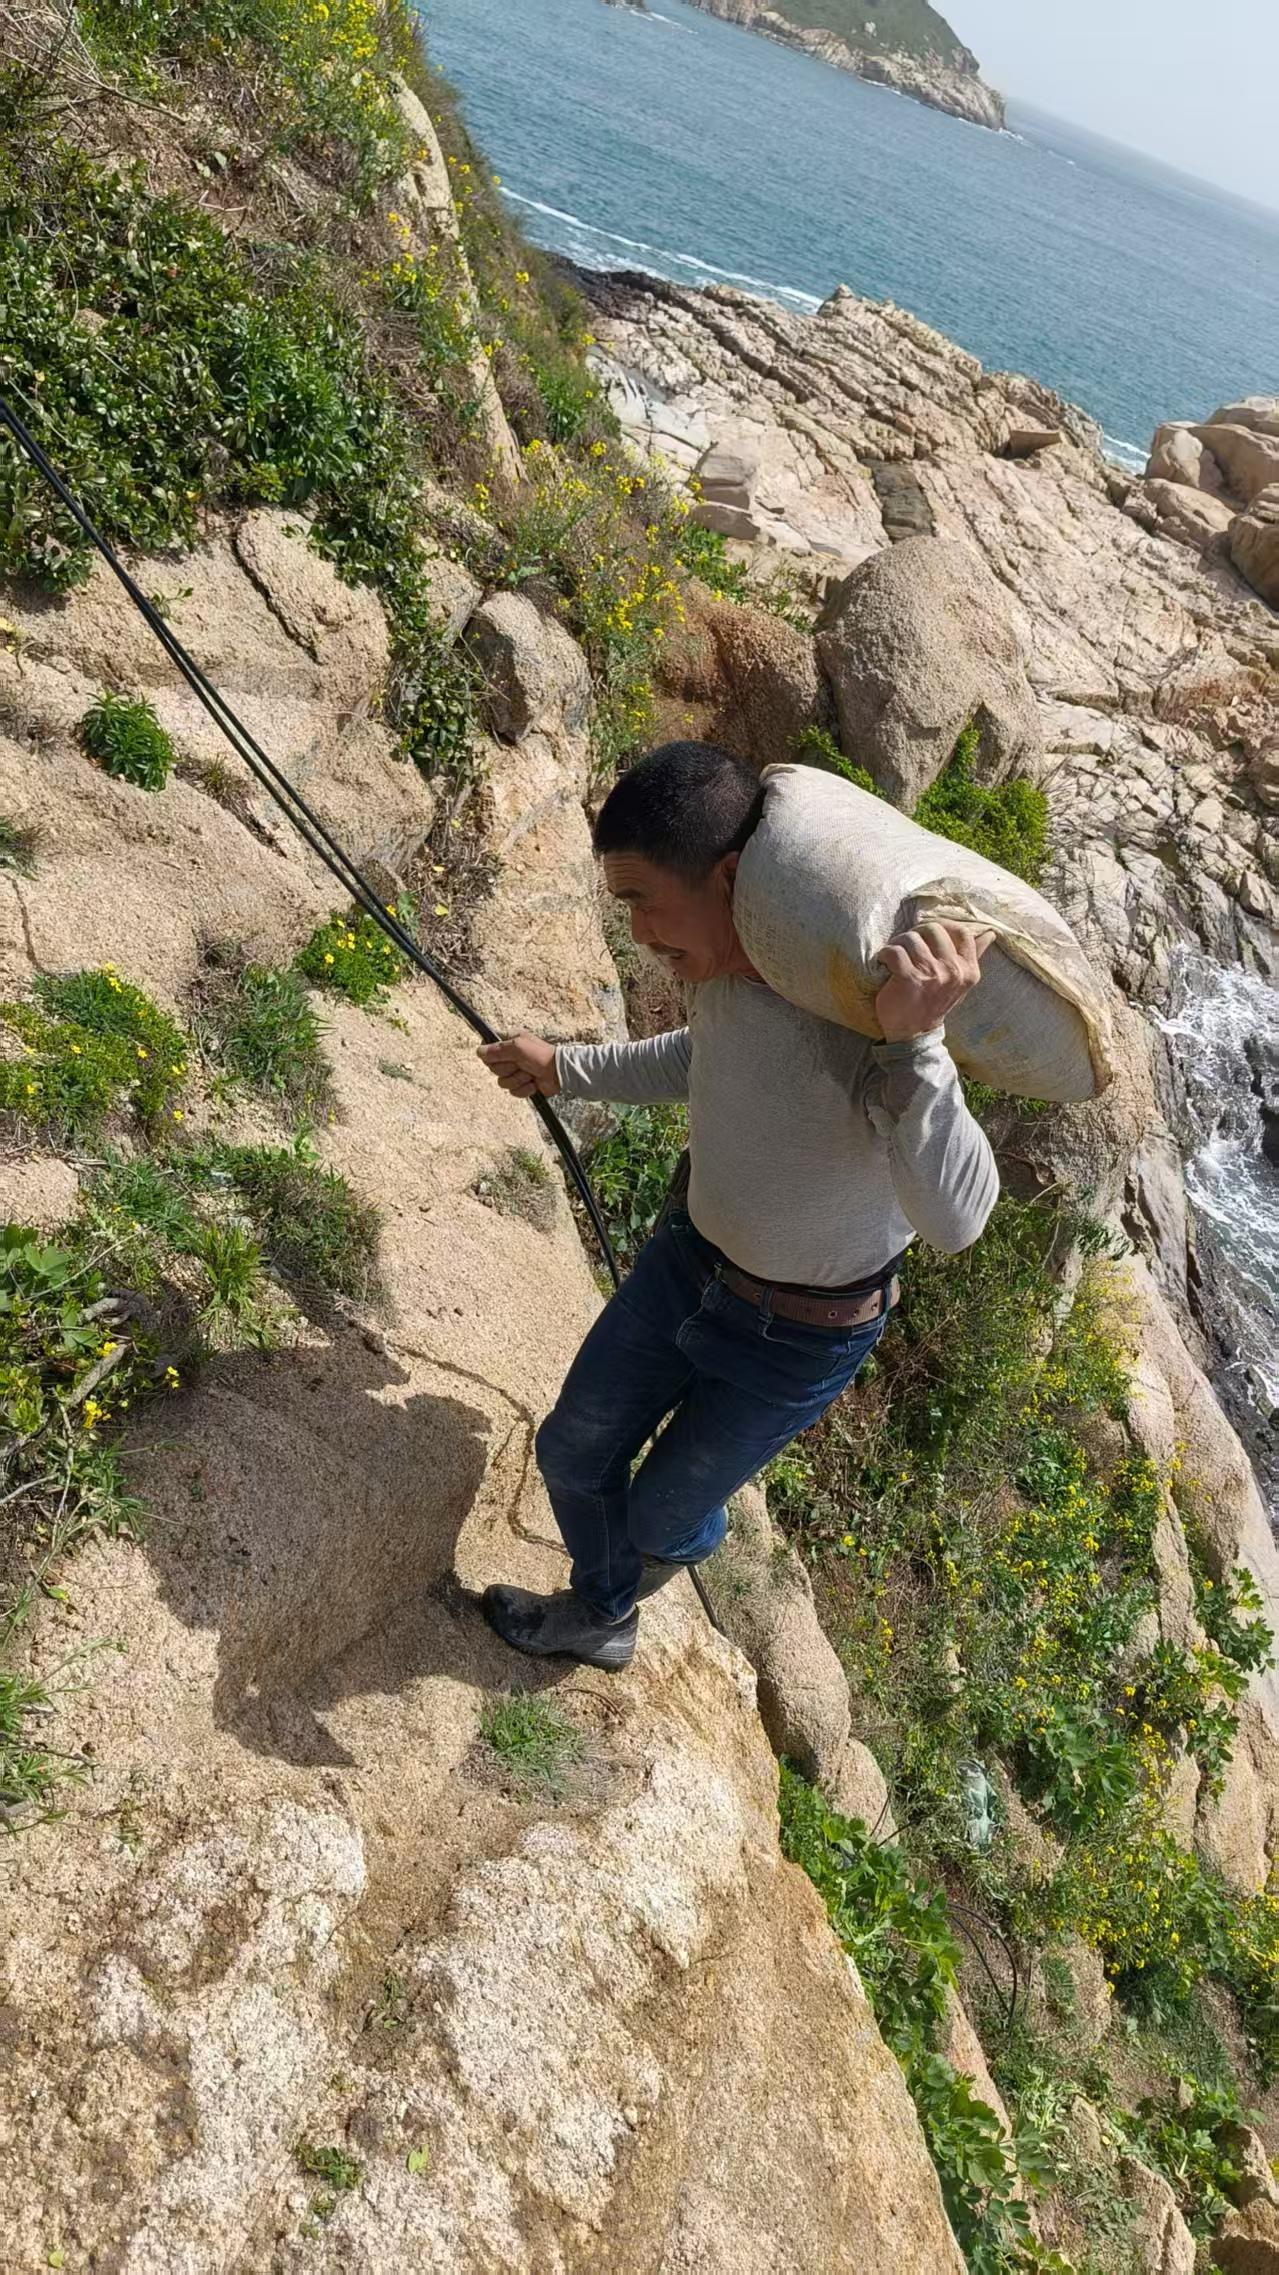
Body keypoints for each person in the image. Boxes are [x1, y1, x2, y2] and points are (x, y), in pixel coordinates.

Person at [476, 741, 999, 1671]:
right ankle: (603, 1616)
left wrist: (917, 1045)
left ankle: (671, 1536)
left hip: (798, 1338)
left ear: (728, 878)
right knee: (570, 1450)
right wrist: (565, 1068)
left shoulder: (867, 1019)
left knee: (665, 1514)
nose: (635, 932)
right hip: (685, 1266)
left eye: (640, 899)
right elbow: (696, 1059)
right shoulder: (723, 973)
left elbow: (958, 1219)